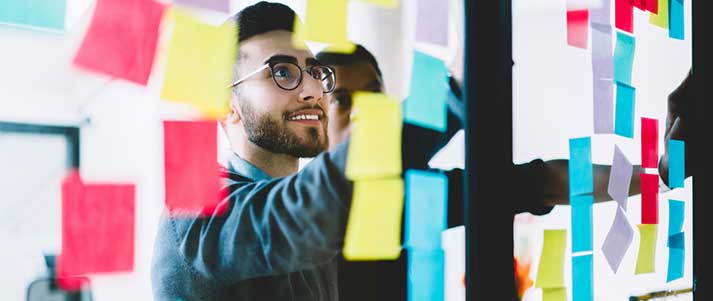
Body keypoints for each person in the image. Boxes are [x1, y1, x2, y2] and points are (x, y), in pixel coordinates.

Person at [316, 44, 693, 300]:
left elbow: (542, 183)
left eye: (374, 97)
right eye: (343, 102)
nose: (364, 113)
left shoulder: (400, 194)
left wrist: (658, 176)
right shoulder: (288, 205)